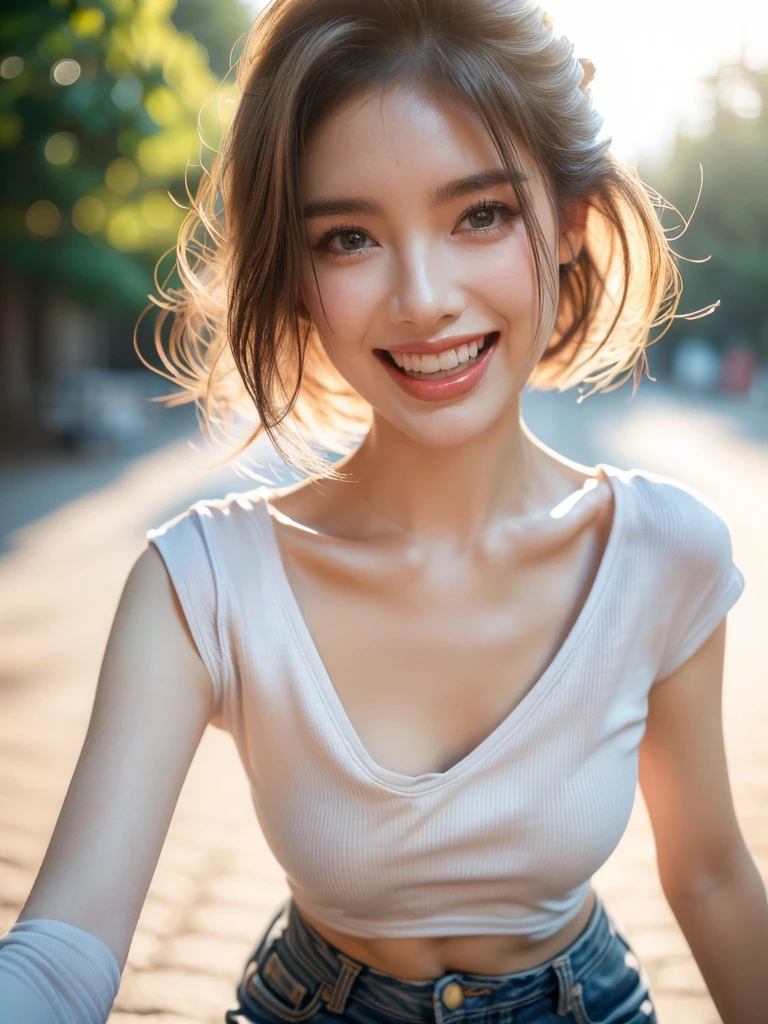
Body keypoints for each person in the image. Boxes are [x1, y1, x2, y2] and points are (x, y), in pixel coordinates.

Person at [2, 0, 766, 1021]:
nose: (422, 298)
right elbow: (65, 948)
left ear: (573, 217)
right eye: (350, 236)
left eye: (480, 215)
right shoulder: (201, 583)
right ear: (298, 274)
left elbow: (711, 877)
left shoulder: (666, 553)